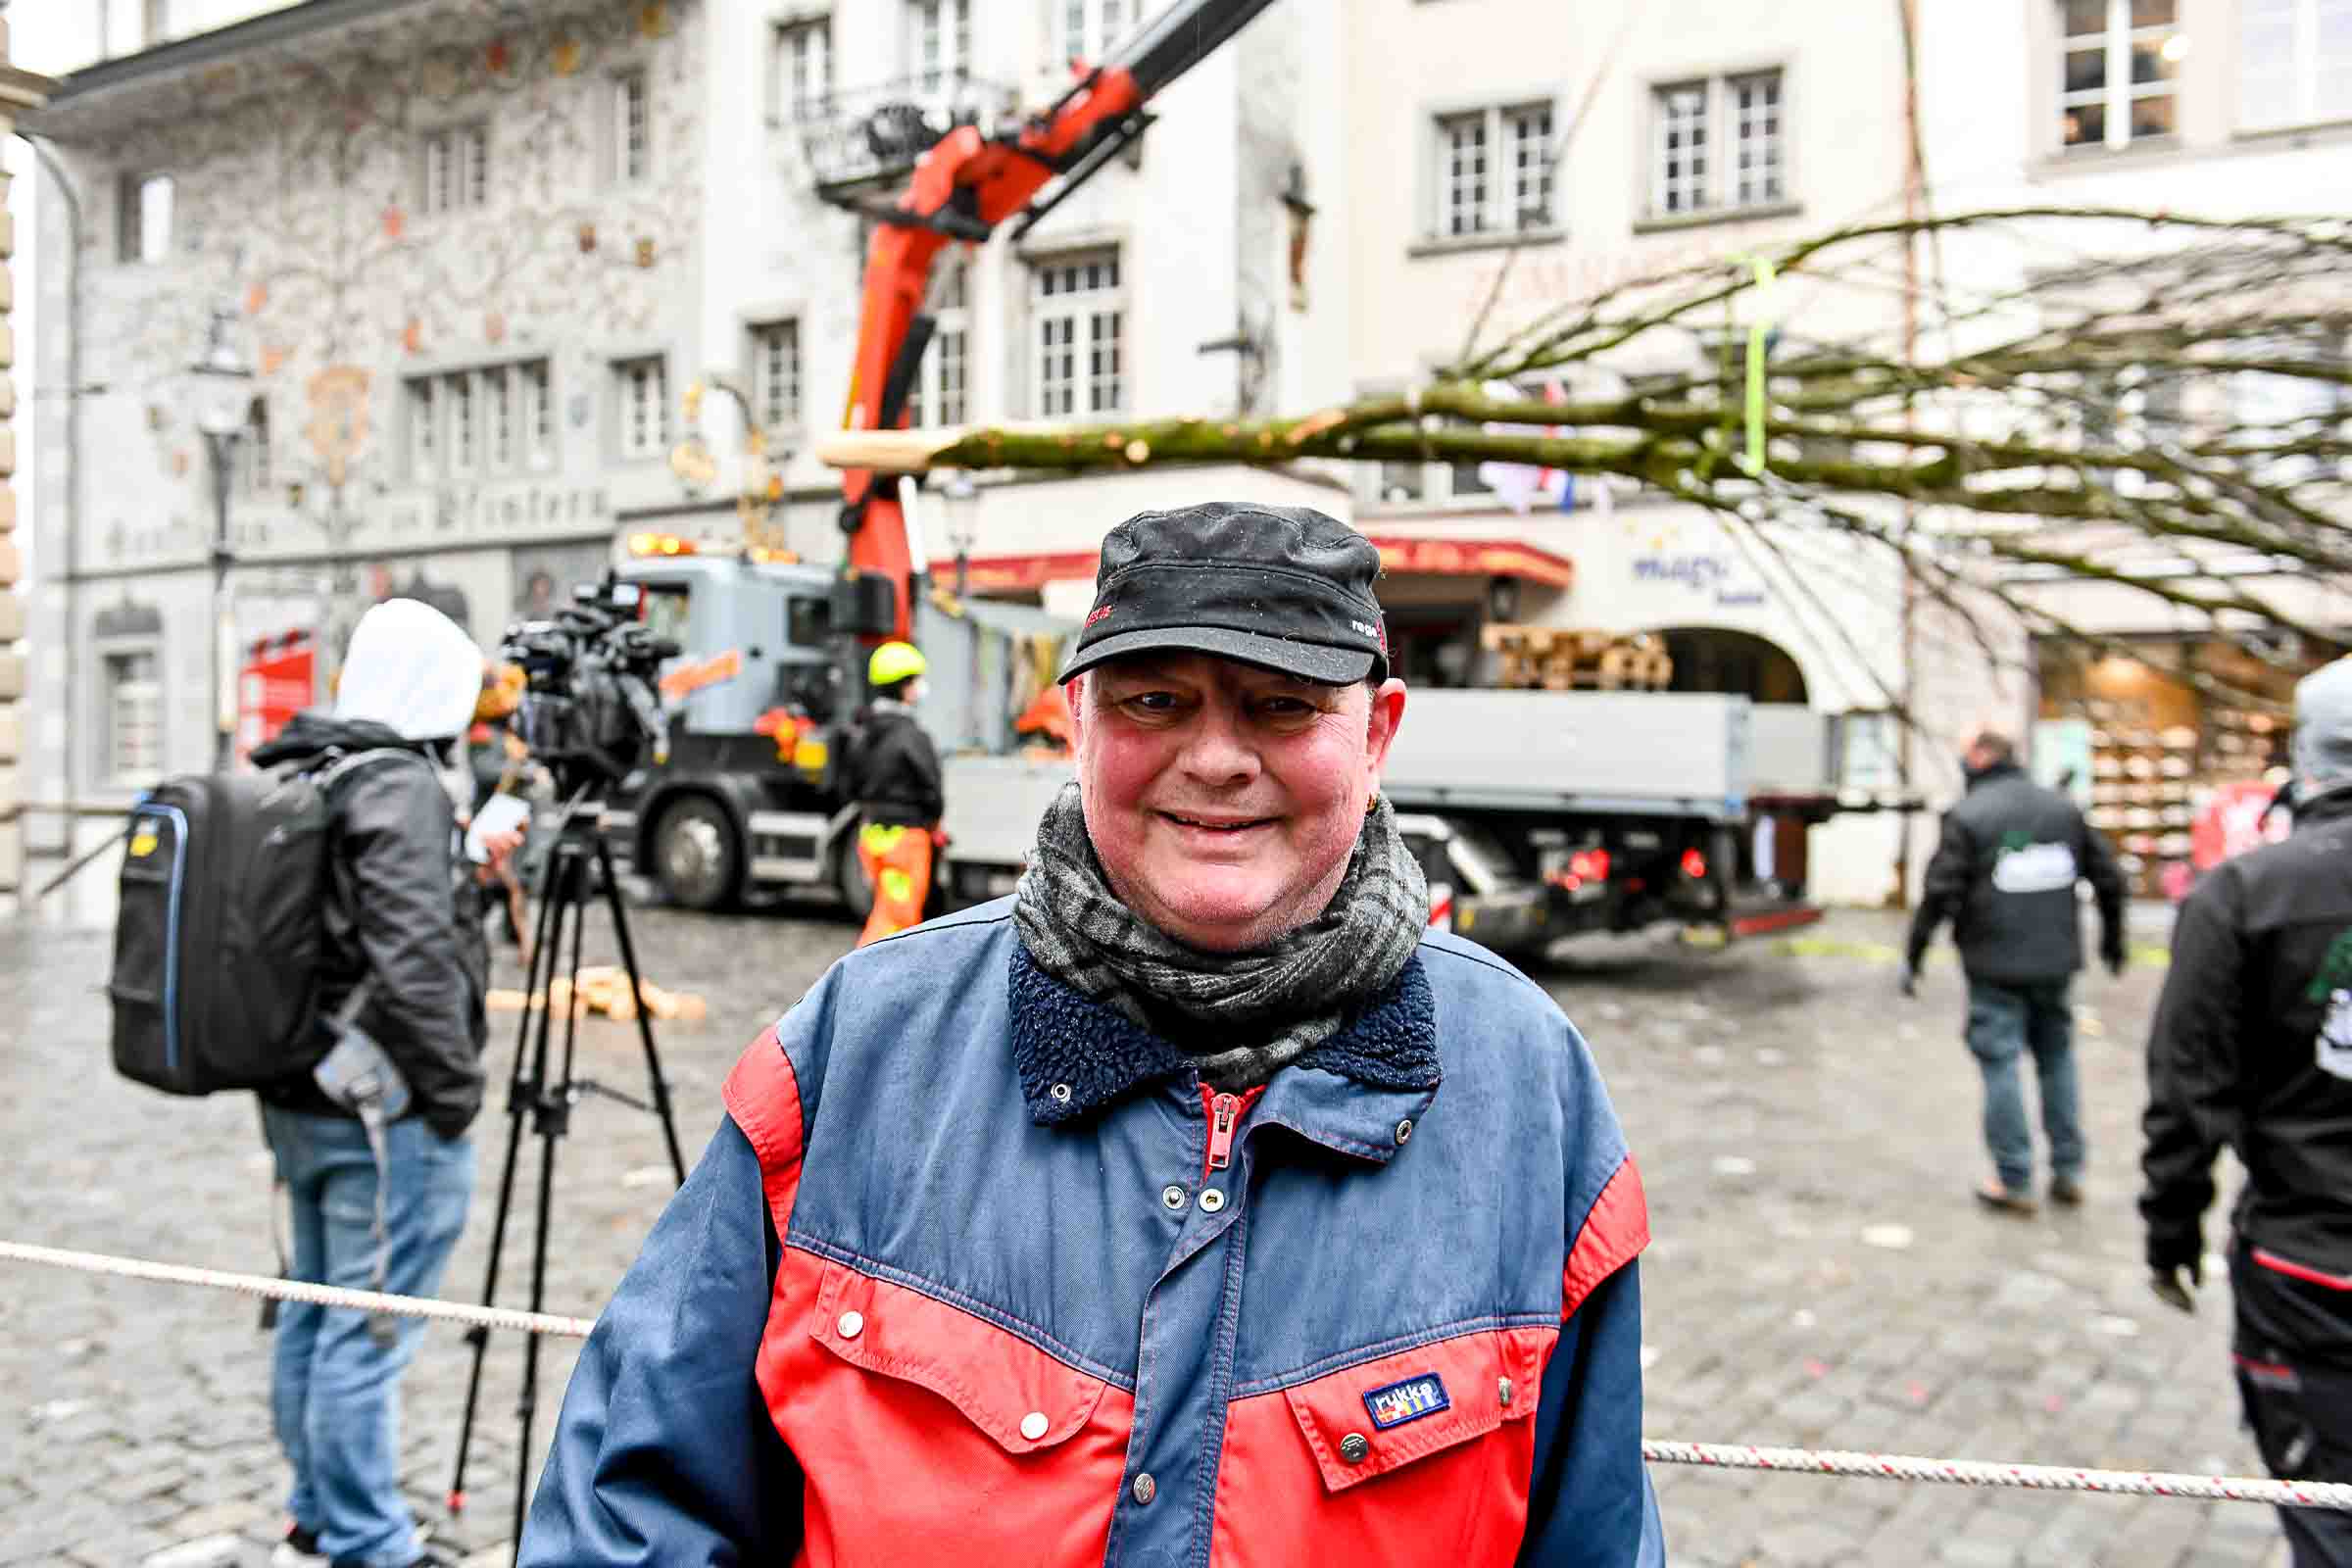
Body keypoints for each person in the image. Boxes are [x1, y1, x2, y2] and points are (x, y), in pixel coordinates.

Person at [518, 502, 1665, 1565]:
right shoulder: (857, 1048)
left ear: (1377, 735)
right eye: (1153, 700)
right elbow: (632, 1510)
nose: (1216, 757)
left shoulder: (1530, 1089)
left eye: (1283, 703)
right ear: (1077, 722)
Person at [250, 600, 514, 1568]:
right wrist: (452, 1096)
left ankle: (316, 1516)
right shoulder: (399, 781)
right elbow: (410, 963)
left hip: (302, 1090)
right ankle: (369, 1542)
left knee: (318, 1305)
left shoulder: (311, 760)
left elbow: (358, 926)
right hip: (383, 1108)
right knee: (371, 1330)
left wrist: (468, 878)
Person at [2141, 657, 2352, 1568]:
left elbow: (2187, 1090)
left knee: (2327, 1514)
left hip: (2311, 1274)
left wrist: (2171, 1227)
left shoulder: (2247, 893)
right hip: (2310, 1266)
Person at [1901, 729, 2127, 1214]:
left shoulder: (1969, 815)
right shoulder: (2061, 810)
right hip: (2054, 962)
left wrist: (1915, 954)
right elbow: (2110, 878)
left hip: (1994, 965)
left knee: (2001, 1063)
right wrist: (2114, 941)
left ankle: (2014, 1177)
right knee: (2056, 1058)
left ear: (1982, 757)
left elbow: (1940, 891)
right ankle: (2069, 1169)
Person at [846, 638, 945, 947]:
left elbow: (849, 785)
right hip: (907, 839)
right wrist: (933, 820)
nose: (919, 688)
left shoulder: (861, 733)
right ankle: (871, 980)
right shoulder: (912, 737)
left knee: (886, 910)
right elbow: (931, 787)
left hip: (873, 835)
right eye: (915, 681)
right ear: (903, 686)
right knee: (899, 923)